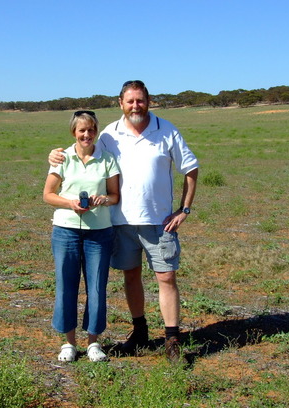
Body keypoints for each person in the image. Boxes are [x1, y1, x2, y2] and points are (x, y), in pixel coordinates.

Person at [49, 81, 199, 361]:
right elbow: (83, 149)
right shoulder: (109, 135)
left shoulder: (167, 130)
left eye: (140, 100)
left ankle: (172, 339)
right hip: (120, 222)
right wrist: (56, 155)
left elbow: (190, 168)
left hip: (160, 221)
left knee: (166, 277)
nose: (135, 106)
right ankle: (139, 331)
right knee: (131, 275)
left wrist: (184, 210)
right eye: (130, 101)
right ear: (120, 103)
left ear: (149, 101)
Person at [43, 110, 120, 362]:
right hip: (65, 231)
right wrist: (71, 204)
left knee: (96, 287)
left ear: (96, 132)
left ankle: (93, 342)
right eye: (81, 130)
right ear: (74, 132)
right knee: (66, 286)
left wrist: (102, 199)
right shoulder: (62, 158)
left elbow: (115, 196)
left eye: (91, 130)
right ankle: (68, 342)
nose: (87, 135)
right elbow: (48, 195)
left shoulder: (107, 159)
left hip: (99, 233)